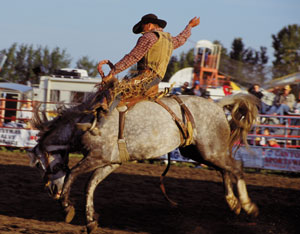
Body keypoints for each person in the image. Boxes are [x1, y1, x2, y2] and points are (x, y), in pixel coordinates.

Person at [95, 14, 200, 114]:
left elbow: (133, 57)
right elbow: (182, 39)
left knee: (115, 91)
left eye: (143, 26)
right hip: (156, 80)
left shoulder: (149, 37)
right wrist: (189, 26)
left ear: (149, 25)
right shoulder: (169, 40)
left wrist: (113, 71)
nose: (142, 30)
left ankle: (100, 122)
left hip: (145, 77)